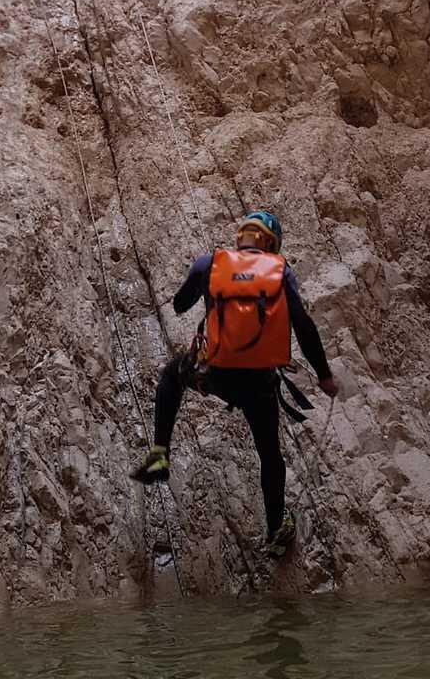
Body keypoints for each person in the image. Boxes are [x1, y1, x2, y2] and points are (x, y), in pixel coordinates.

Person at [130, 209, 338, 557]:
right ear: (271, 244)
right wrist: (324, 376)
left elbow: (180, 305)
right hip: (259, 384)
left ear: (241, 237)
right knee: (270, 456)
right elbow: (303, 325)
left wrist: (206, 290)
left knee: (171, 376)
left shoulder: (210, 263)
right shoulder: (279, 271)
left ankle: (160, 454)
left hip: (216, 376)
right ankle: (275, 530)